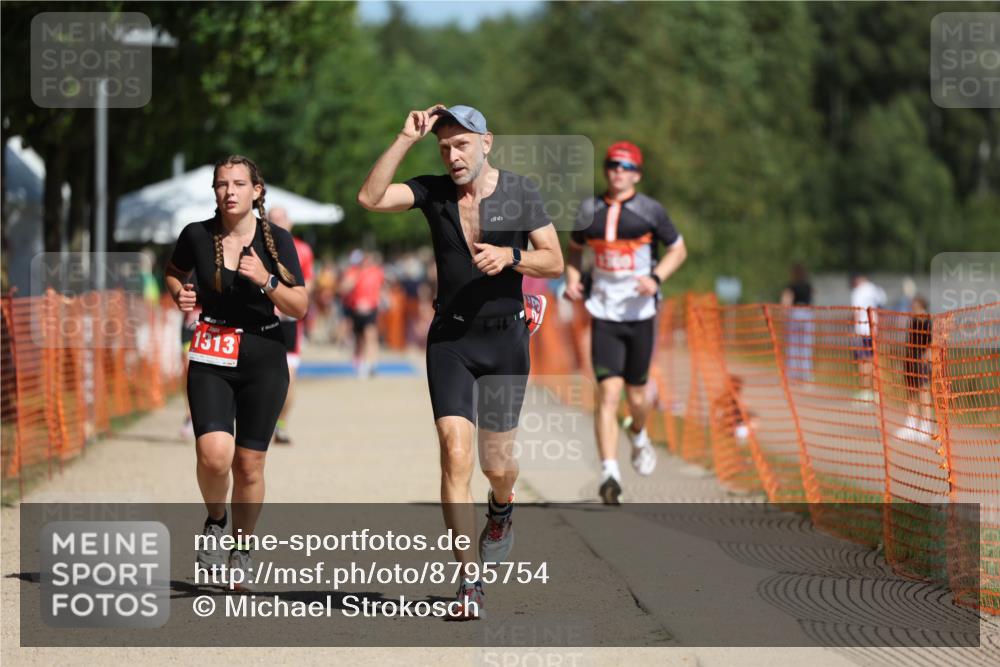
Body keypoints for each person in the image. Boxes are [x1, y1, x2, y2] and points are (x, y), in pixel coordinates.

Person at [357, 104, 563, 619]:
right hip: (450, 339)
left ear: (486, 142)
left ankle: (502, 505)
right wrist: (405, 137)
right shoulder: (432, 191)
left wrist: (512, 258)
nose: (452, 155)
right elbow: (370, 198)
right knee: (454, 454)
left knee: (497, 464)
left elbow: (555, 259)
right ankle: (469, 583)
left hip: (505, 341)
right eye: (444, 147)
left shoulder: (520, 192)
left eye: (462, 144)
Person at [165, 155, 307, 590]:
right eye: (222, 184)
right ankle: (215, 519)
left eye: (239, 183)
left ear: (256, 191)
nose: (230, 191)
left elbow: (299, 306)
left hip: (263, 354)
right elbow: (173, 272)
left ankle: (242, 548)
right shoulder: (196, 235)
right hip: (211, 349)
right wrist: (180, 295)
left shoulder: (278, 241)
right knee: (212, 455)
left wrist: (266, 279)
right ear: (214, 192)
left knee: (248, 465)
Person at [565, 141, 687, 505]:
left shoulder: (651, 211)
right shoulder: (588, 210)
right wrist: (573, 278)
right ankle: (609, 473)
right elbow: (574, 248)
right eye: (612, 165)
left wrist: (657, 278)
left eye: (626, 166)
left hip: (640, 314)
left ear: (637, 174)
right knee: (608, 394)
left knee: (638, 395)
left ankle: (639, 432)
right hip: (603, 313)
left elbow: (678, 249)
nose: (618, 171)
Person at [268, 207, 315, 444]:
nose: (277, 223)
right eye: (272, 219)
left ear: (291, 222)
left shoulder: (303, 250)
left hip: (289, 322)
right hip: (261, 319)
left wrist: (292, 304)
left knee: (289, 376)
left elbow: (310, 285)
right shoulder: (257, 246)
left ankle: (281, 424)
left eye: (281, 218)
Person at [340, 250, 385, 378]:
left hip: (371, 309)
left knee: (371, 335)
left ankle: (372, 364)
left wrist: (381, 300)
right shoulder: (353, 272)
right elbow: (343, 288)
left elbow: (380, 288)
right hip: (356, 309)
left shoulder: (376, 272)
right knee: (359, 338)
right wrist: (351, 281)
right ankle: (359, 362)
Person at [895, 296, 934, 443]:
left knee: (924, 392)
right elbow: (909, 342)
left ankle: (926, 425)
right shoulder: (912, 321)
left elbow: (931, 343)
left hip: (923, 361)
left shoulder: (928, 322)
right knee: (911, 392)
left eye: (914, 306)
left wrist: (927, 359)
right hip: (911, 360)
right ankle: (911, 423)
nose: (912, 309)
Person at [850, 273, 886, 402]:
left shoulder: (858, 291)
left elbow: (856, 312)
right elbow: (882, 305)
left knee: (863, 361)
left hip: (862, 329)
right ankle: (875, 391)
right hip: (874, 328)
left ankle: (865, 390)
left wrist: (854, 330)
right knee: (873, 360)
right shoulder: (875, 289)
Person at [780, 263, 814, 384]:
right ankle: (806, 375)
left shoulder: (791, 286)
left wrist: (784, 316)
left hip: (795, 314)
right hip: (807, 313)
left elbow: (786, 301)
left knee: (793, 344)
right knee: (805, 345)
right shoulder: (808, 286)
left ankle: (793, 374)